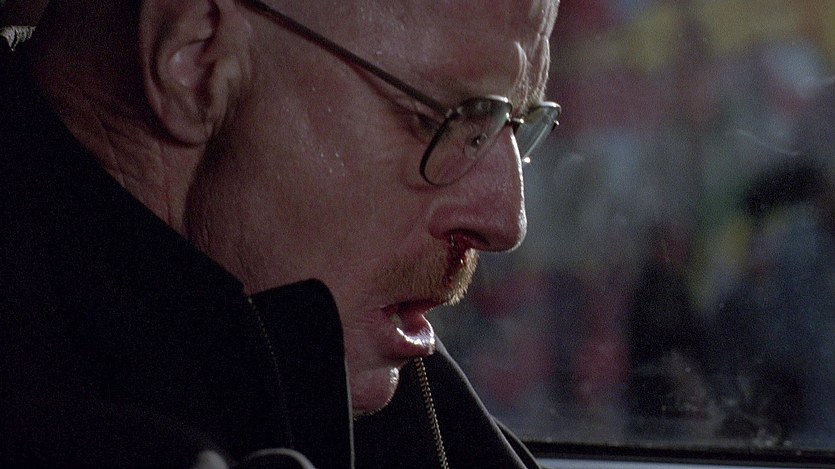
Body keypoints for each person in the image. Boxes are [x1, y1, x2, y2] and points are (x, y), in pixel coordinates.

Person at [0, 0, 561, 467]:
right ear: (197, 57)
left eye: (515, 126)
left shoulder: (394, 388)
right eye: (445, 118)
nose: (505, 222)